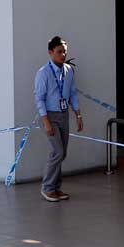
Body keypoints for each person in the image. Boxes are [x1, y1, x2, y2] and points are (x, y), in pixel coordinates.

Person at [34, 36, 83, 202]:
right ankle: (47, 188)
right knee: (57, 152)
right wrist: (46, 121)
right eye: (59, 51)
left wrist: (78, 115)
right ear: (50, 52)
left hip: (64, 115)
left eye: (64, 52)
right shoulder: (43, 73)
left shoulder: (69, 70)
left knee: (62, 154)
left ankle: (56, 187)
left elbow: (73, 93)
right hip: (49, 115)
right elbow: (39, 98)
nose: (63, 54)